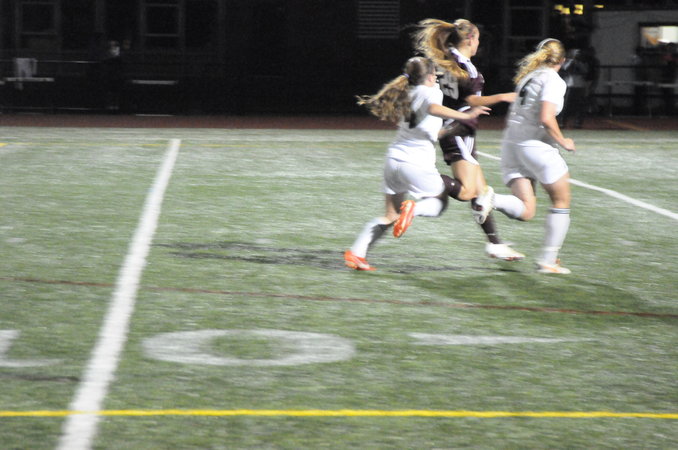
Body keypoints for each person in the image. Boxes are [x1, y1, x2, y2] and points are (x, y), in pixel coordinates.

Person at [344, 56, 489, 271]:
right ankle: (414, 209)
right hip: (415, 162)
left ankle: (356, 253)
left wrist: (452, 128)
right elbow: (433, 108)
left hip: (393, 161)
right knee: (439, 204)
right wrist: (465, 116)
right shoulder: (430, 92)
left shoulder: (407, 93)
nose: (437, 78)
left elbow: (432, 131)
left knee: (391, 215)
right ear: (429, 76)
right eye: (435, 75)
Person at [412, 18, 524, 261]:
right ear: (470, 39)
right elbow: (472, 101)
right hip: (460, 130)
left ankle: (495, 244)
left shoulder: (443, 59)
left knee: (480, 192)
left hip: (450, 128)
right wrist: (503, 96)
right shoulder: (466, 68)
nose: (478, 45)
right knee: (466, 191)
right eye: (478, 40)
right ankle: (422, 179)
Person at [493, 38, 576, 274]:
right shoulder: (553, 80)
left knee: (527, 209)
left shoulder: (529, 76)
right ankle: (548, 261)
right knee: (561, 201)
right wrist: (563, 141)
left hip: (511, 145)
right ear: (562, 60)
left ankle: (490, 199)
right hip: (534, 146)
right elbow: (546, 117)